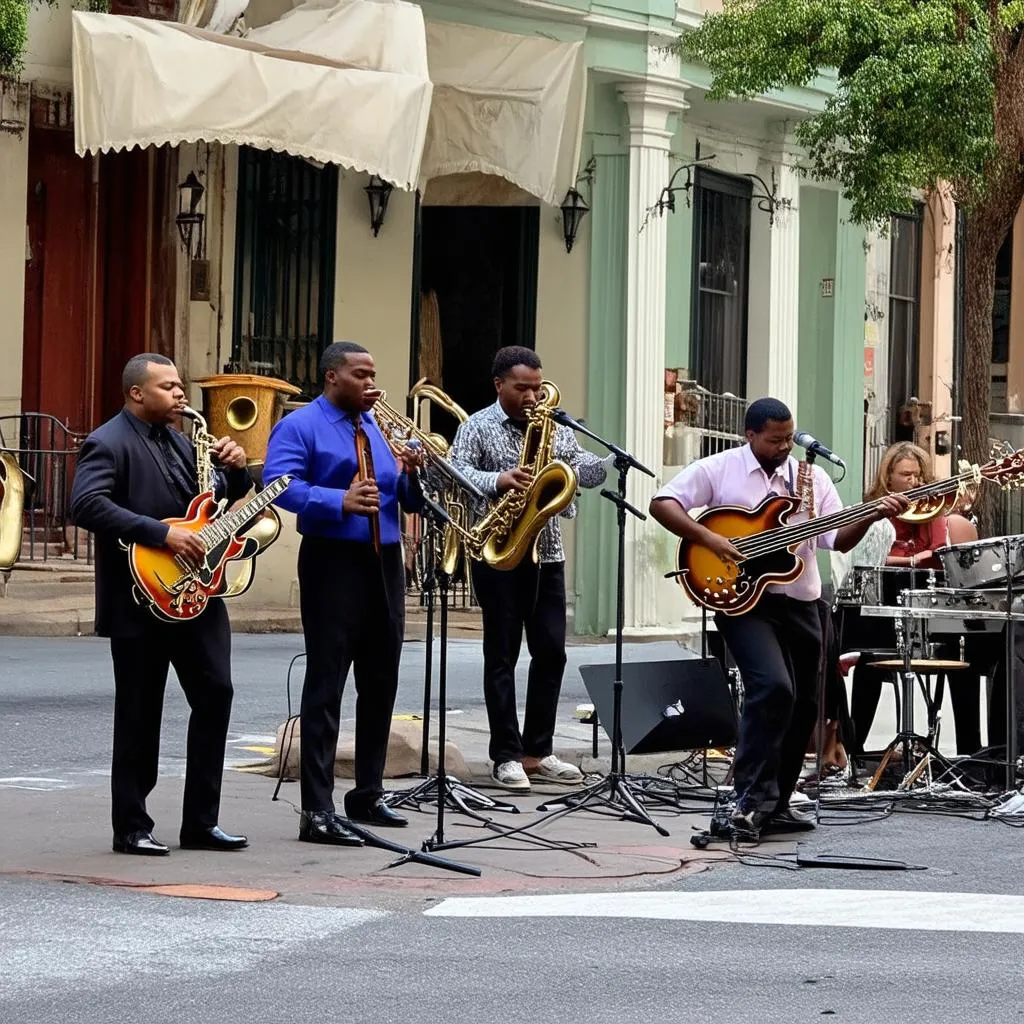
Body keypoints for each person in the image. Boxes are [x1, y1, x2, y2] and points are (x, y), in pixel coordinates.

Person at [649, 398, 906, 835]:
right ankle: (746, 797)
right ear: (751, 436)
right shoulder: (720, 468)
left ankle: (777, 802)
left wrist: (871, 515)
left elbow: (836, 540)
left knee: (805, 703)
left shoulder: (810, 477)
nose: (785, 446)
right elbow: (663, 503)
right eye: (775, 439)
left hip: (802, 601)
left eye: (789, 437)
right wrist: (709, 539)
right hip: (743, 600)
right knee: (772, 687)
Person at [70, 353, 252, 856]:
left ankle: (201, 822)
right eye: (168, 386)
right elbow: (85, 503)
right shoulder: (107, 441)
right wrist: (161, 534)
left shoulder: (179, 438)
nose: (180, 394)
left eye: (180, 385)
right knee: (139, 713)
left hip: (196, 595)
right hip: (138, 600)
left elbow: (207, 504)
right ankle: (131, 826)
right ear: (136, 393)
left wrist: (233, 474)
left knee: (216, 694)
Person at [263, 341, 424, 846]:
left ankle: (367, 793)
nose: (371, 382)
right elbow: (278, 484)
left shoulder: (373, 425)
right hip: (334, 559)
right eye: (360, 374)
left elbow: (394, 494)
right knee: (328, 682)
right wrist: (338, 499)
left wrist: (412, 476)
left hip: (385, 560)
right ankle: (317, 808)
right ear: (333, 377)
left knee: (381, 680)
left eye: (373, 373)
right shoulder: (301, 425)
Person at [449, 346, 608, 792]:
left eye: (537, 387)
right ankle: (505, 756)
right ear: (499, 385)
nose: (531, 396)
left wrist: (606, 460)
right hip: (499, 551)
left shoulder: (554, 426)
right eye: (522, 388)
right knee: (501, 656)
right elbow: (453, 472)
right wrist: (498, 480)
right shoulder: (477, 425)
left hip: (548, 551)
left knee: (552, 652)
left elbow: (585, 474)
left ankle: (539, 751)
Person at [844, 442, 981, 755]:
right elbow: (870, 557)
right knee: (869, 659)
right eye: (906, 474)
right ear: (889, 478)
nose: (914, 481)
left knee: (963, 660)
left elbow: (938, 552)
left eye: (918, 475)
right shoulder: (875, 510)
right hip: (885, 604)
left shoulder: (933, 509)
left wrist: (914, 558)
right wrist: (913, 559)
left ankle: (970, 755)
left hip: (928, 607)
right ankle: (854, 750)